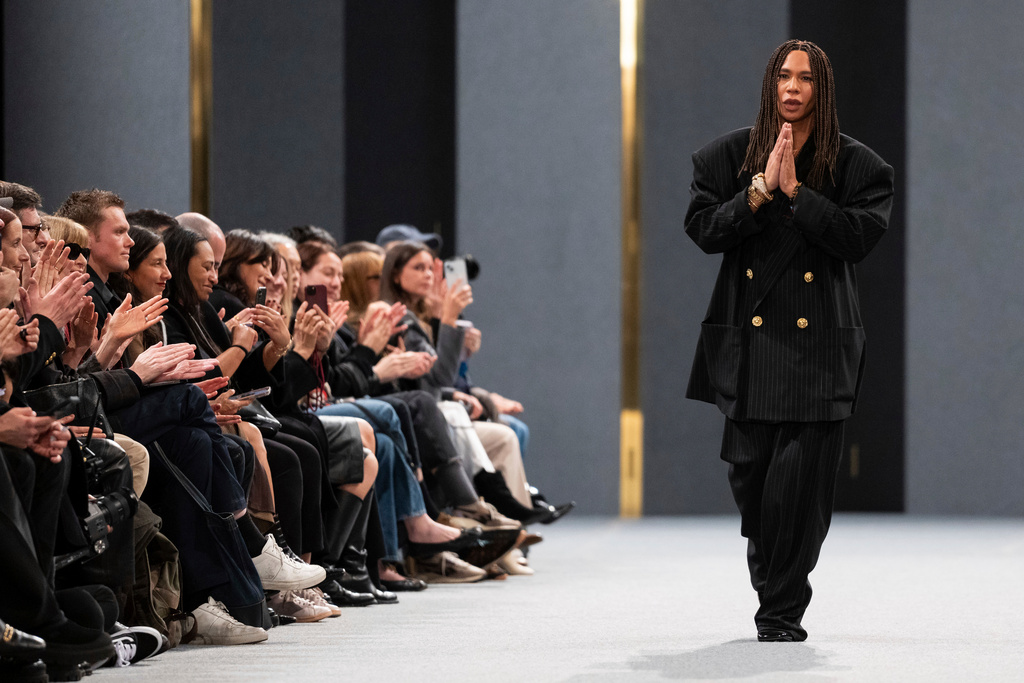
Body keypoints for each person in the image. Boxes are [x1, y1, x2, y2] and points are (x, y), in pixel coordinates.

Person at [683, 39, 894, 643]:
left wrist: (798, 194)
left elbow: (857, 239)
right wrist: (758, 191)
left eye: (805, 78)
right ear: (770, 85)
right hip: (749, 352)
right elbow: (702, 230)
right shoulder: (725, 157)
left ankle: (779, 611)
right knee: (752, 486)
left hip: (818, 350)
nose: (793, 87)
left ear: (821, 89)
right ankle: (772, 589)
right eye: (783, 76)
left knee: (797, 494)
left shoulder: (859, 167)